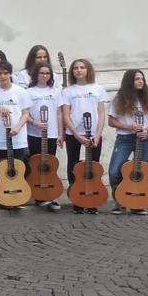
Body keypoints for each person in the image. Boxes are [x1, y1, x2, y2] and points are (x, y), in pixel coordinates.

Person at [60, 58, 110, 213]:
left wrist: (98, 134)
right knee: (74, 165)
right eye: (75, 68)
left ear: (88, 70)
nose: (78, 70)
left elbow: (101, 113)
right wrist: (75, 134)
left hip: (93, 133)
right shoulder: (68, 91)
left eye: (82, 67)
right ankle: (77, 197)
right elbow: (66, 115)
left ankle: (92, 198)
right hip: (74, 133)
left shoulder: (98, 89)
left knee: (93, 166)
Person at [108, 69, 148, 214]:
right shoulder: (119, 99)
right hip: (125, 138)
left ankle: (138, 203)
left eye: (142, 79)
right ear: (129, 81)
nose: (140, 81)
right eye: (137, 79)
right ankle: (120, 201)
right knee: (114, 171)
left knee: (140, 173)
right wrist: (128, 126)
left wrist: (147, 130)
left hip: (144, 139)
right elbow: (111, 121)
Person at [0, 62, 31, 209]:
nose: (3, 76)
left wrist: (17, 128)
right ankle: (4, 197)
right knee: (1, 169)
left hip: (18, 137)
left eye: (5, 73)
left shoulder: (21, 91)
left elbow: (26, 113)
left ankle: (18, 196)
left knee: (18, 168)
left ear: (10, 73)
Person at [25, 62, 64, 211]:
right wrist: (35, 123)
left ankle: (51, 194)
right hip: (33, 134)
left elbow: (59, 113)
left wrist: (60, 133)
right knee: (35, 165)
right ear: (36, 75)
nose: (45, 76)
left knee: (50, 165)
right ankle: (38, 194)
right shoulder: (29, 92)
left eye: (48, 73)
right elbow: (25, 114)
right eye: (42, 73)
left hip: (52, 134)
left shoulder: (55, 91)